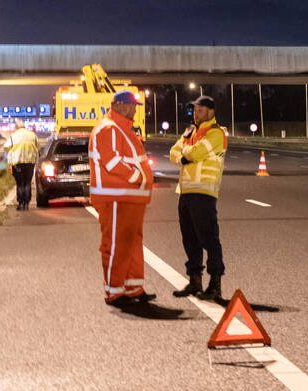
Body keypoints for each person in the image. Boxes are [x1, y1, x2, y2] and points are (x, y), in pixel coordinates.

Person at [89, 91, 156, 306]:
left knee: (132, 243)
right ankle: (115, 291)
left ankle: (133, 287)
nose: (134, 109)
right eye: (131, 105)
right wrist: (137, 177)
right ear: (118, 105)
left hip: (130, 197)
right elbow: (112, 161)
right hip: (116, 196)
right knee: (117, 244)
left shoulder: (122, 128)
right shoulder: (109, 128)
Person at [170, 96, 228, 302]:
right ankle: (195, 281)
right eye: (195, 110)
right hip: (185, 193)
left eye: (201, 110)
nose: (196, 114)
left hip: (204, 193)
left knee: (209, 240)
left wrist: (186, 153)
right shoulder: (190, 131)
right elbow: (173, 152)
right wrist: (185, 154)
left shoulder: (216, 133)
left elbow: (196, 153)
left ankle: (215, 284)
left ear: (211, 112)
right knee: (190, 240)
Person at [4, 119, 39, 210]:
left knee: (19, 183)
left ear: (16, 127)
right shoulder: (32, 135)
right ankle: (26, 203)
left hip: (17, 162)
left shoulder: (13, 136)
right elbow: (37, 145)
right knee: (27, 182)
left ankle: (20, 203)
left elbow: (6, 147)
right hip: (29, 162)